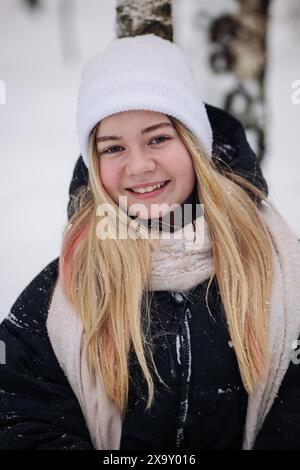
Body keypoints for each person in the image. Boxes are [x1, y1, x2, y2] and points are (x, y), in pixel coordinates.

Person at [1, 33, 300, 450]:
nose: (139, 165)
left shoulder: (276, 261)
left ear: (194, 144)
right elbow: (20, 414)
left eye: (158, 138)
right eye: (113, 148)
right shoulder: (63, 292)